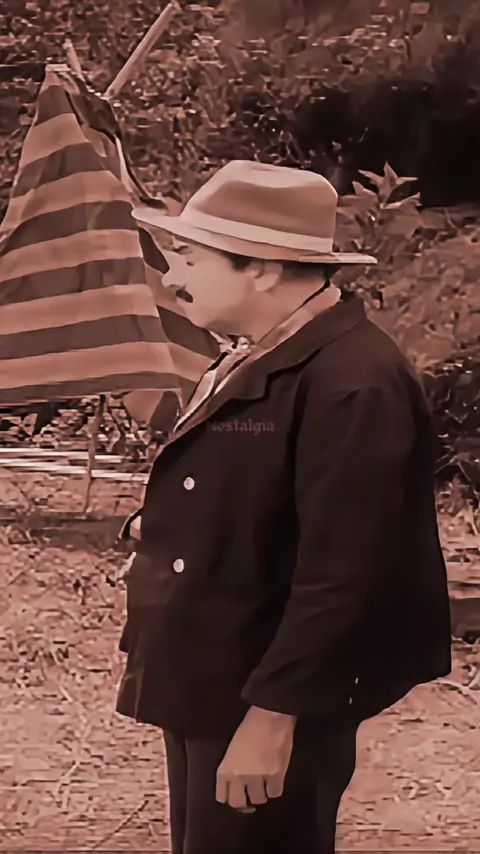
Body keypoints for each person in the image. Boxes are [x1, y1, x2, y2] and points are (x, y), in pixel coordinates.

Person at [115, 160, 452, 854]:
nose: (171, 277)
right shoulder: (262, 355)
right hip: (217, 670)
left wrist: (274, 718)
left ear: (264, 269)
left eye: (189, 257)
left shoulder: (353, 383)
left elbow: (348, 571)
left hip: (267, 692)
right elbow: (257, 499)